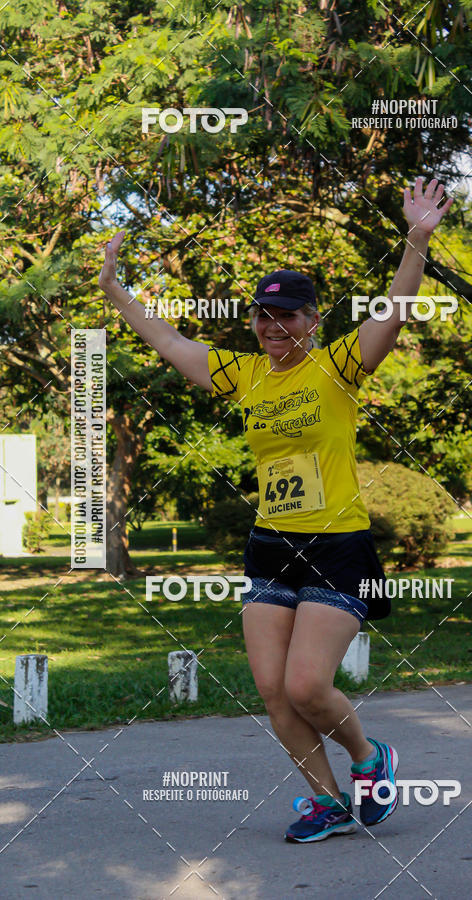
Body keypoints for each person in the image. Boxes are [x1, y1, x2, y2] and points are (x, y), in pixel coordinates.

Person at [99, 176, 453, 842]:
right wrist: (117, 292)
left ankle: (370, 760)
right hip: (270, 548)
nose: (272, 327)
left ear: (312, 320)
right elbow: (171, 344)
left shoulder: (340, 365)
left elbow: (394, 312)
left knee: (307, 688)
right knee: (271, 691)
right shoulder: (247, 374)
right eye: (263, 316)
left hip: (337, 547)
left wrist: (416, 242)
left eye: (287, 316)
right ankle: (326, 803)